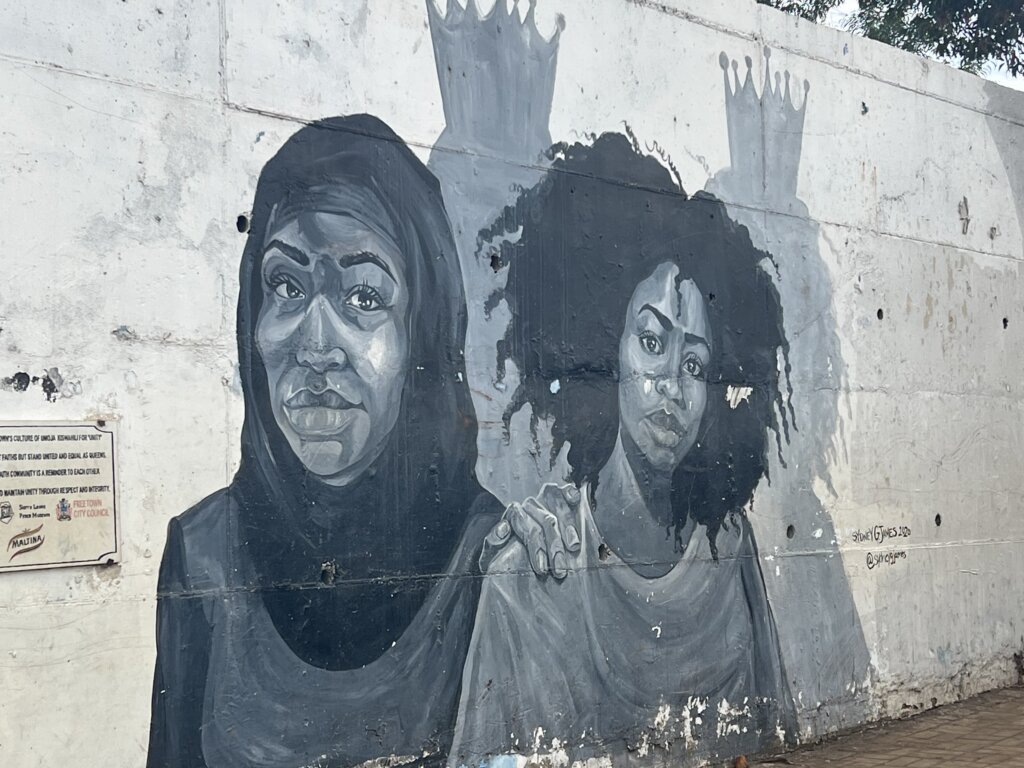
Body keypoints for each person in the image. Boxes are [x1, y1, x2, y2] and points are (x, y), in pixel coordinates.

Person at [147, 114, 501, 768]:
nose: (315, 348)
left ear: (422, 336)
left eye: (363, 294)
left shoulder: (491, 559)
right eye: (285, 285)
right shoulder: (203, 555)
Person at [449, 132, 798, 766]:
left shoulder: (730, 549)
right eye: (651, 340)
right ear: (604, 347)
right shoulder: (530, 573)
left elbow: (773, 744)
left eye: (695, 363)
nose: (671, 382)